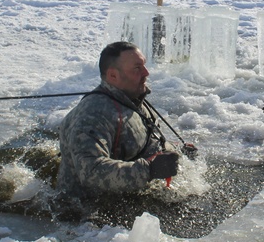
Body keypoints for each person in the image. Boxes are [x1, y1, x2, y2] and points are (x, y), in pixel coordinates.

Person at [57, 42, 181, 208]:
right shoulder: (94, 114)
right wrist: (149, 170)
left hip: (127, 199)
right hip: (90, 214)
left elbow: (142, 139)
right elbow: (90, 171)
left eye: (144, 65)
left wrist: (176, 150)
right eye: (137, 68)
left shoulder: (131, 98)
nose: (146, 73)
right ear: (113, 76)